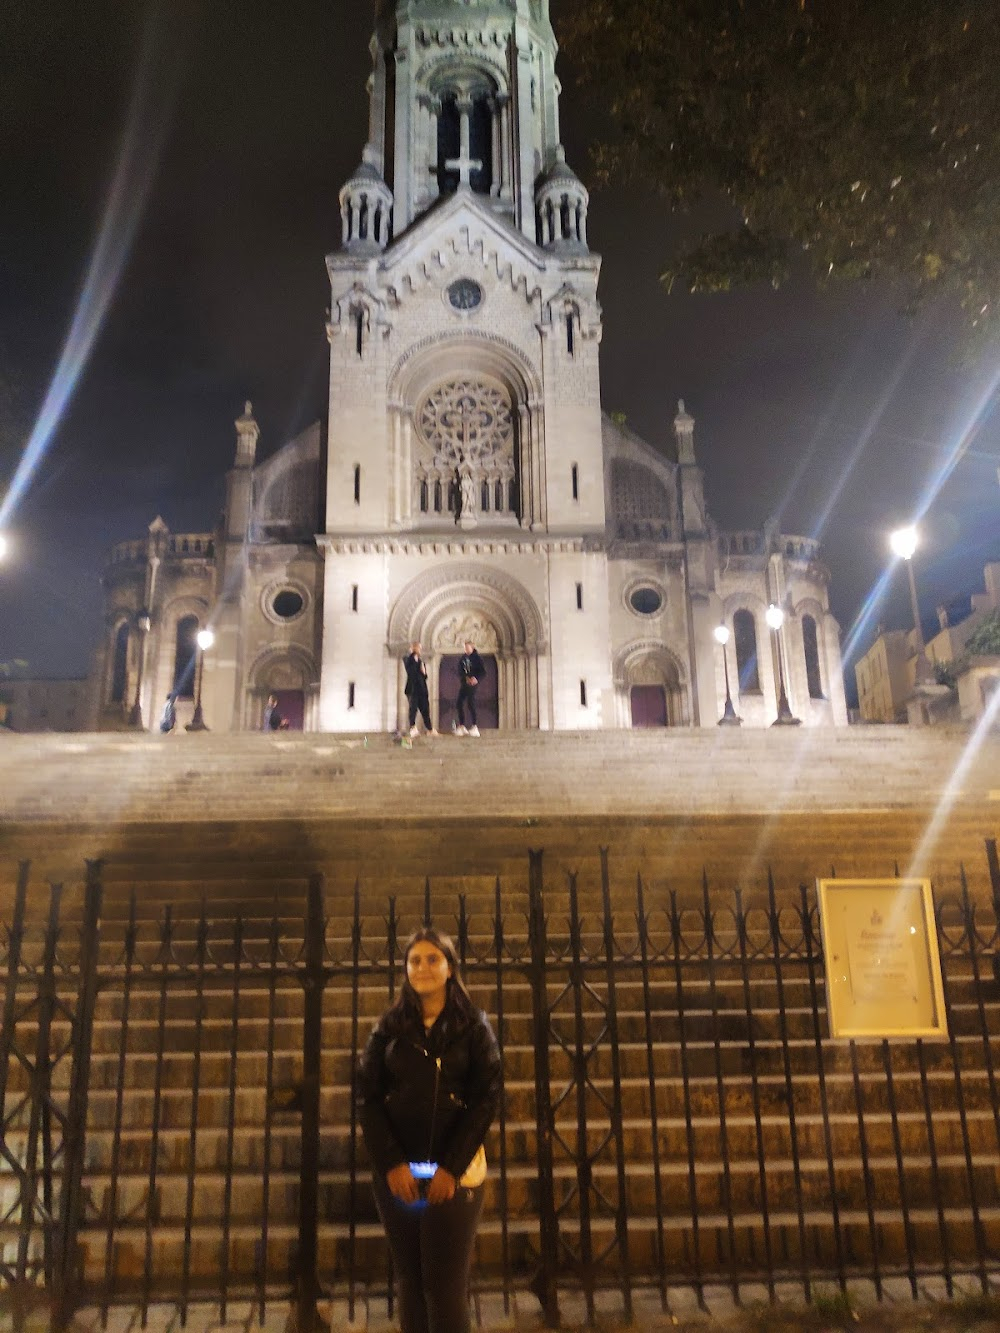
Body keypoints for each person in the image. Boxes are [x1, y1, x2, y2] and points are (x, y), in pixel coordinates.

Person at [359, 928, 501, 1333]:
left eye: (432, 959)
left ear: (450, 968)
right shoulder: (387, 1028)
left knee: (445, 1286)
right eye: (415, 960)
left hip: (453, 1175)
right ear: (405, 970)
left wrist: (451, 1169)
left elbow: (486, 1099)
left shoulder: (474, 1028)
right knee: (410, 1281)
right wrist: (390, 1163)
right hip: (400, 1172)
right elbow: (367, 1097)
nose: (423, 967)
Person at [403, 641, 437, 737]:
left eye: (420, 648)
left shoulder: (421, 661)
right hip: (413, 689)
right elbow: (411, 672)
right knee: (413, 709)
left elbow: (424, 677)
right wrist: (414, 659)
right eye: (418, 648)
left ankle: (430, 729)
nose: (420, 650)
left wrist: (424, 672)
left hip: (422, 689)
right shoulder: (408, 659)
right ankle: (412, 727)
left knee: (425, 710)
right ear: (413, 648)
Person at [455, 640, 485, 737]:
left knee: (470, 702)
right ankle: (462, 725)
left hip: (473, 684)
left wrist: (476, 678)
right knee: (459, 702)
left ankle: (474, 726)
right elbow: (459, 670)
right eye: (465, 647)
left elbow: (483, 672)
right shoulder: (463, 658)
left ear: (472, 647)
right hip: (465, 683)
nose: (466, 649)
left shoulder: (477, 658)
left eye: (467, 647)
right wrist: (464, 677)